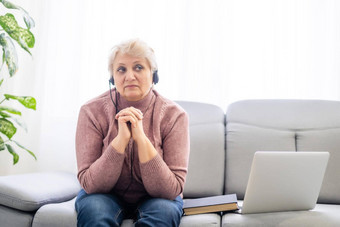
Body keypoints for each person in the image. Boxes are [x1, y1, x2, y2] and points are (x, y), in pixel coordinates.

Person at [75, 39, 190, 227]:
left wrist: (141, 138)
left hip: (156, 198)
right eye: (121, 69)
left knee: (164, 212)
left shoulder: (175, 115)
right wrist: (120, 140)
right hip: (105, 195)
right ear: (112, 77)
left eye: (138, 67)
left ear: (154, 76)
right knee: (95, 213)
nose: (129, 76)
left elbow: (172, 189)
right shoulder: (91, 111)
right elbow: (90, 184)